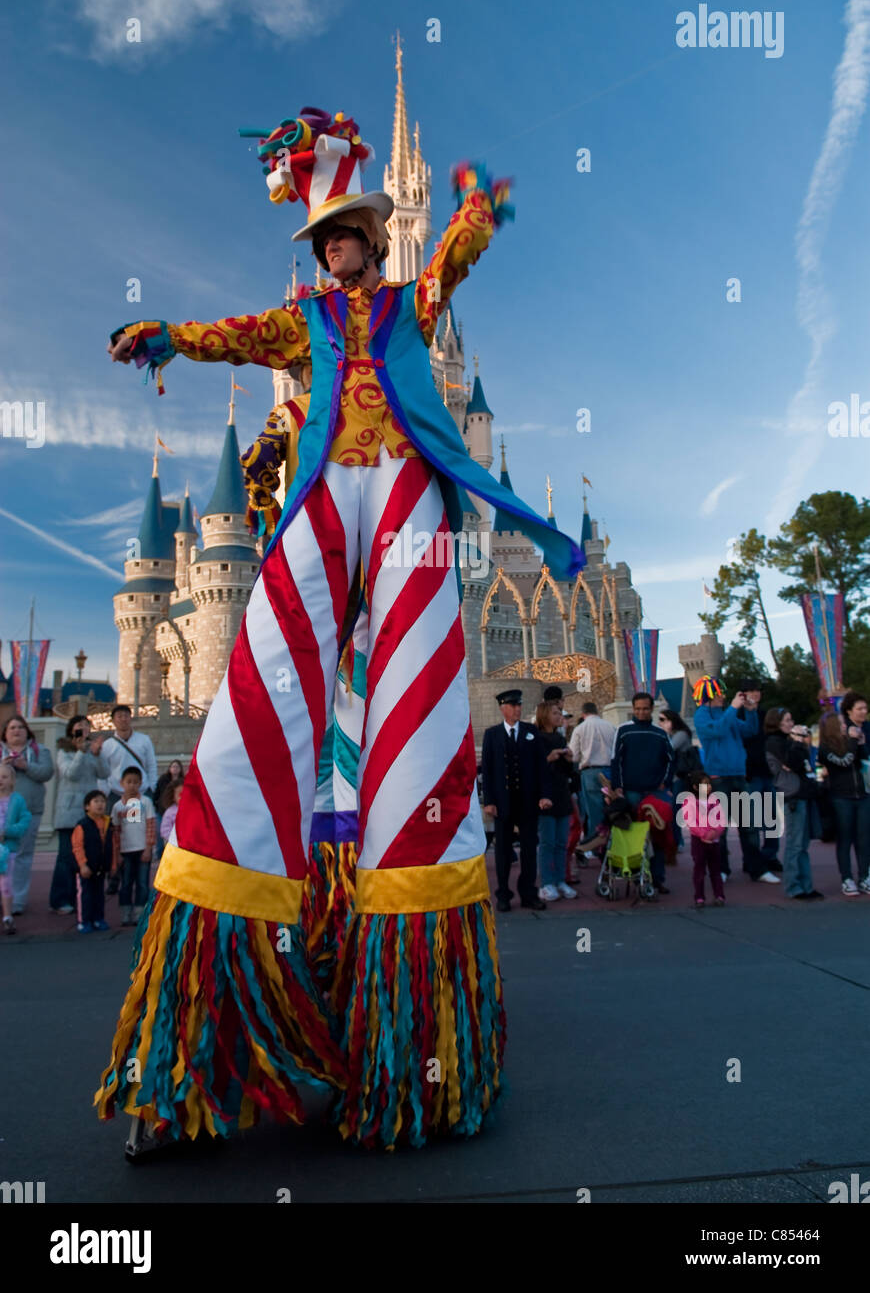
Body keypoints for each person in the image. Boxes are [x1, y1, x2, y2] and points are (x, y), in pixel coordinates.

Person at [99, 103, 584, 1152]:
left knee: (412, 743)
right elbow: (236, 334)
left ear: (372, 236)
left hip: (406, 495)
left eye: (346, 237)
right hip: (325, 501)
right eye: (324, 242)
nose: (336, 252)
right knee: (254, 710)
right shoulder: (307, 325)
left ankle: (419, 1051)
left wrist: (477, 212)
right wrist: (167, 335)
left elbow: (451, 263)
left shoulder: (411, 306)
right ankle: (198, 1035)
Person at [692, 678, 779, 886]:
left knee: (749, 826)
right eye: (720, 693)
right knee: (719, 828)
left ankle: (756, 869)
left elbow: (749, 730)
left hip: (739, 774)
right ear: (710, 695)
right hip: (717, 776)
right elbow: (717, 731)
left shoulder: (725, 713)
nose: (723, 695)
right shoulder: (701, 715)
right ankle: (721, 869)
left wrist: (749, 711)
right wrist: (732, 708)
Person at [482, 690, 553, 911]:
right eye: (512, 706)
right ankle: (503, 894)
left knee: (529, 849)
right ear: (503, 709)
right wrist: (490, 800)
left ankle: (528, 892)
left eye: (519, 705)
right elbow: (488, 770)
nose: (517, 709)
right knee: (503, 851)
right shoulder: (492, 735)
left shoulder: (531, 732)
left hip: (527, 800)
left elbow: (541, 767)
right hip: (503, 802)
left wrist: (544, 795)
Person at [609, 691, 675, 892]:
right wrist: (617, 786)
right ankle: (635, 874)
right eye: (637, 709)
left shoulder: (660, 734)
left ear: (652, 709)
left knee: (657, 835)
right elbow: (615, 760)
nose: (641, 712)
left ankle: (657, 878)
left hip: (654, 791)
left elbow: (671, 760)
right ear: (633, 709)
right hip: (631, 791)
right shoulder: (624, 731)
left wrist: (665, 782)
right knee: (633, 835)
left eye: (645, 709)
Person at [51, 716, 109, 914]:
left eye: (86, 725)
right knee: (67, 856)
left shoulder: (92, 750)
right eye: (79, 726)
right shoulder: (63, 750)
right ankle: (60, 899)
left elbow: (104, 773)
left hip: (90, 813)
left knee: (87, 857)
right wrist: (80, 752)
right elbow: (70, 773)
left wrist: (98, 754)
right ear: (70, 730)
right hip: (68, 812)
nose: (83, 729)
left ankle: (79, 898)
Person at [765, 708, 822, 901]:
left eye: (791, 719)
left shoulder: (786, 742)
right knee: (795, 844)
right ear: (777, 722)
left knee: (802, 844)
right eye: (787, 720)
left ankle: (806, 885)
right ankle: (794, 886)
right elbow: (793, 762)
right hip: (792, 795)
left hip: (801, 793)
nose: (791, 723)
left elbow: (800, 762)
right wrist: (798, 742)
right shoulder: (775, 742)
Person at [0, 713, 55, 915]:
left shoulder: (39, 751)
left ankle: (17, 901)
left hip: (28, 811)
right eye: (12, 728)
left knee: (21, 855)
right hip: (1, 812)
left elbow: (47, 772)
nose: (16, 731)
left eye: (20, 727)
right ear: (5, 733)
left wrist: (26, 766)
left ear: (27, 732)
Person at [817, 710, 870, 895]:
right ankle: (846, 878)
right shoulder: (825, 749)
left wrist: (861, 742)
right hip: (841, 798)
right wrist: (854, 741)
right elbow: (845, 762)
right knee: (845, 838)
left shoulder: (851, 742)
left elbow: (863, 759)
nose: (845, 726)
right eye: (841, 723)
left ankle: (865, 876)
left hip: (862, 795)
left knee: (864, 838)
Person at [738, 678, 782, 870]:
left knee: (772, 818)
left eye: (757, 690)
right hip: (749, 774)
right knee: (752, 821)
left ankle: (770, 856)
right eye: (751, 690)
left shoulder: (766, 716)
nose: (755, 694)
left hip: (767, 773)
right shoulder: (737, 715)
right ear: (743, 694)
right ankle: (752, 859)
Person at [534, 701, 576, 901]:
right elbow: (532, 769)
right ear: (544, 715)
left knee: (562, 842)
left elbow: (567, 772)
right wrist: (547, 759)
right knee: (547, 842)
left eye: (560, 712)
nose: (559, 716)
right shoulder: (536, 739)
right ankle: (546, 883)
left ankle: (560, 880)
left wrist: (569, 761)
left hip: (562, 794)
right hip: (545, 796)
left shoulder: (560, 737)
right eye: (555, 713)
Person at [110, 767, 156, 926]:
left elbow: (151, 826)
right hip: (125, 851)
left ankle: (139, 912)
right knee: (126, 882)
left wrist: (149, 848)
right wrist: (117, 854)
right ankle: (125, 911)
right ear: (122, 783)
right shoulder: (117, 807)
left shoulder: (146, 802)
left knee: (142, 882)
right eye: (128, 782)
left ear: (140, 784)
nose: (132, 785)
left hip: (142, 849)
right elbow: (115, 832)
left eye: (135, 782)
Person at [570, 700, 615, 846]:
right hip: (609, 770)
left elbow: (574, 756)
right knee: (612, 807)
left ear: (583, 714)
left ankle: (596, 845)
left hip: (589, 771)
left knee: (594, 811)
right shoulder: (610, 727)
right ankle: (611, 842)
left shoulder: (580, 729)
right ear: (597, 711)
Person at [680, 770, 727, 907]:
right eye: (705, 784)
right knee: (699, 870)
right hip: (699, 841)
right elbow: (691, 822)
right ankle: (699, 897)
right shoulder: (690, 801)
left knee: (716, 870)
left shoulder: (714, 800)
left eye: (709, 784)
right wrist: (704, 834)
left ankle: (719, 895)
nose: (709, 787)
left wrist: (715, 832)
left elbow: (722, 819)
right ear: (695, 787)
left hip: (714, 840)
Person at [71, 790, 114, 934]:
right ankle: (84, 921)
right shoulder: (82, 825)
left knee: (99, 894)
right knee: (85, 894)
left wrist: (112, 865)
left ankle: (98, 918)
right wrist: (82, 865)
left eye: (102, 801)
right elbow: (77, 846)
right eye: (96, 801)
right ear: (87, 806)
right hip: (86, 868)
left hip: (101, 866)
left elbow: (112, 845)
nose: (100, 804)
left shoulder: (108, 823)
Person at [100, 706, 158, 810]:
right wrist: (105, 791)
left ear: (130, 718)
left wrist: (152, 786)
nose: (123, 719)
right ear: (113, 720)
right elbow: (103, 771)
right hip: (115, 793)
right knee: (115, 824)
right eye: (119, 716)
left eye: (126, 716)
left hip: (142, 791)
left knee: (137, 823)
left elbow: (151, 765)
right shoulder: (107, 745)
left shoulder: (144, 740)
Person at [658, 708, 697, 849]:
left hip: (681, 777)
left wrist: (666, 734)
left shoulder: (680, 734)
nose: (660, 723)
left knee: (676, 809)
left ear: (672, 721)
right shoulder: (674, 734)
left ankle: (678, 840)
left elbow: (669, 749)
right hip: (674, 777)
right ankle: (676, 839)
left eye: (663, 720)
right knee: (674, 809)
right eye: (659, 720)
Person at [0, 761, 31, 935]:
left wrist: (8, 832)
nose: (0, 780)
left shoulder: (17, 800)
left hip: (7, 849)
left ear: (12, 781)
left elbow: (24, 822)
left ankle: (7, 916)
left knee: (5, 883)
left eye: (4, 777)